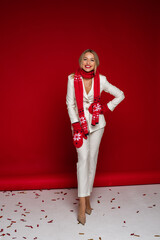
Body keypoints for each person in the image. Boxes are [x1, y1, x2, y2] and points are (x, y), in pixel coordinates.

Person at [66, 49, 125, 225]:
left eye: (92, 59)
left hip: (97, 125)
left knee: (92, 159)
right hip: (79, 125)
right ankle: (82, 204)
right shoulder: (71, 79)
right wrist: (75, 123)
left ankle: (87, 197)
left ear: (96, 63)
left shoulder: (102, 80)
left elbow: (120, 94)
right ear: (80, 61)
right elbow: (70, 103)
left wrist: (105, 108)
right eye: (85, 59)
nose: (88, 62)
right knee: (83, 159)